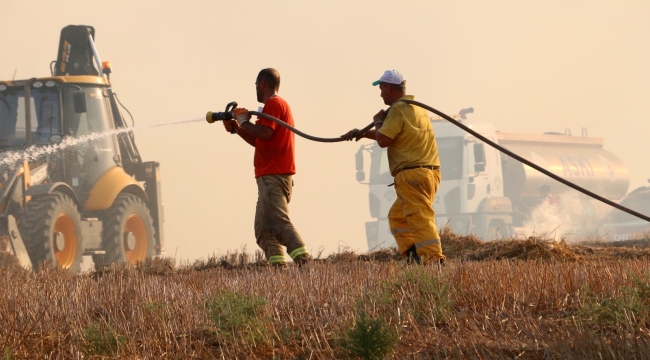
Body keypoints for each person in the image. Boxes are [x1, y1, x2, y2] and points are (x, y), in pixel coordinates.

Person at [342, 70, 445, 265]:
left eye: (381, 89)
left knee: (419, 216)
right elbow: (392, 134)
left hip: (411, 174)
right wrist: (362, 134)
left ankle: (434, 261)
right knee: (397, 217)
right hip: (430, 173)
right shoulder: (418, 109)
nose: (380, 94)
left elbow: (383, 140)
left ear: (388, 87)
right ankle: (414, 257)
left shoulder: (397, 110)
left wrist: (379, 121)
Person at [222, 68, 312, 267]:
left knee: (278, 223)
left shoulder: (274, 103)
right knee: (263, 229)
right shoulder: (272, 107)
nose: (255, 88)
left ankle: (306, 264)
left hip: (274, 175)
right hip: (268, 176)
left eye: (256, 85)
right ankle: (279, 269)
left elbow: (264, 133)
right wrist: (238, 128)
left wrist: (244, 121)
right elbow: (258, 140)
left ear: (262, 84)